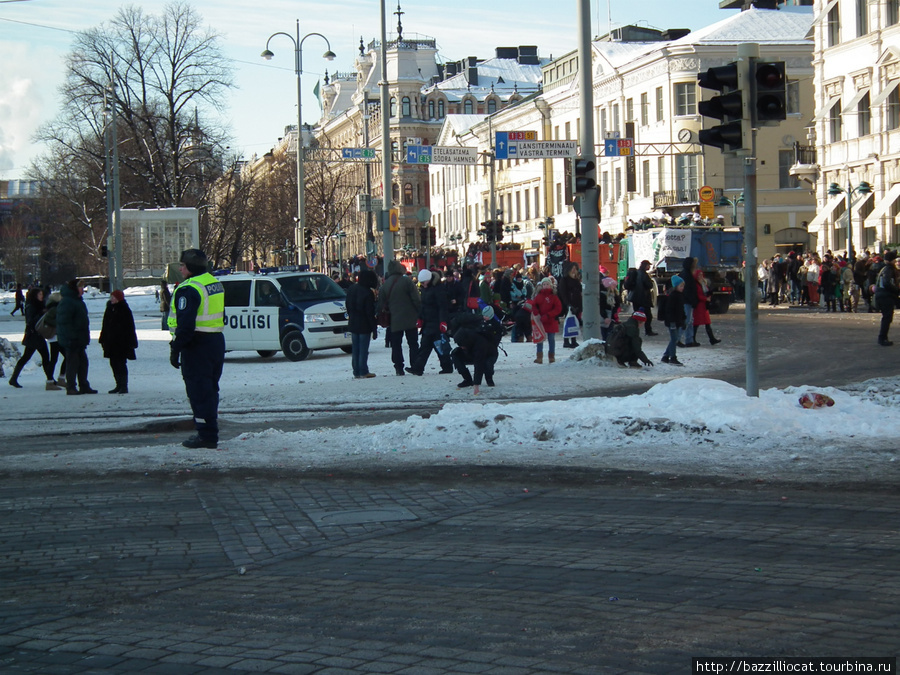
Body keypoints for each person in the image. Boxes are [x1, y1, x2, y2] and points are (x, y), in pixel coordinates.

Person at [169, 249, 226, 449]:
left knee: (198, 390)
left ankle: (206, 435)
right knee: (210, 389)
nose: (181, 269)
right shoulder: (213, 283)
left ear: (191, 268)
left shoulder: (189, 289)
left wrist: (176, 348)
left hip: (197, 345)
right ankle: (209, 430)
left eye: (183, 265)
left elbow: (185, 326)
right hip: (215, 341)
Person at [8, 287, 62, 390]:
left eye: (42, 294)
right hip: (33, 336)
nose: (42, 296)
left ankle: (50, 379)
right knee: (29, 357)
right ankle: (14, 378)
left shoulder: (39, 305)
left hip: (38, 336)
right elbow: (31, 321)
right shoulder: (31, 306)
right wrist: (42, 313)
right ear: (35, 295)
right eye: (40, 295)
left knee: (43, 357)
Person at [376, 259, 421, 376]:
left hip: (394, 318)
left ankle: (398, 367)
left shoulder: (385, 284)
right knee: (413, 343)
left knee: (396, 344)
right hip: (410, 317)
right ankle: (415, 364)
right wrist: (419, 311)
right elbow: (416, 299)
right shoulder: (407, 282)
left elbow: (381, 303)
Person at [406, 269, 453, 376]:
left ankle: (446, 367)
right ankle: (418, 368)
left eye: (424, 282)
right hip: (429, 323)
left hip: (436, 323)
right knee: (426, 346)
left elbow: (442, 307)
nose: (423, 284)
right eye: (421, 283)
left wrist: (443, 322)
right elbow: (423, 306)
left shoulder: (438, 290)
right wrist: (420, 318)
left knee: (437, 346)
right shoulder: (426, 289)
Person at [56, 279, 97, 395]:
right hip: (72, 339)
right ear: (74, 289)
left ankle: (83, 385)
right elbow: (64, 322)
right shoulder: (68, 302)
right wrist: (72, 337)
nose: (82, 290)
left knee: (83, 363)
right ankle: (71, 387)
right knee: (72, 363)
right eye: (80, 287)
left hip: (79, 339)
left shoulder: (77, 301)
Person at [450, 305, 503, 393]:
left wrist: (476, 384)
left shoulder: (493, 327)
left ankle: (489, 377)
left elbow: (479, 362)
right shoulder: (475, 324)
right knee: (455, 354)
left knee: (486, 364)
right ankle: (467, 379)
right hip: (472, 349)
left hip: (488, 352)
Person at [99, 289, 138, 393]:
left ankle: (123, 385)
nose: (112, 299)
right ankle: (118, 384)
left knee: (120, 363)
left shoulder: (124, 309)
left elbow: (130, 327)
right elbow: (105, 325)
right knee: (113, 363)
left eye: (114, 297)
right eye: (111, 297)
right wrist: (103, 338)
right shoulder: (109, 309)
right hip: (110, 342)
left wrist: (131, 342)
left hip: (121, 342)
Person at [345, 269, 379, 379]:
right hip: (364, 324)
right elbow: (369, 312)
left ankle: (356, 371)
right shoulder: (367, 292)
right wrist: (374, 328)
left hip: (353, 322)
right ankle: (363, 370)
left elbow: (348, 306)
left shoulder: (351, 289)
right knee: (363, 349)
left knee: (356, 349)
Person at [532, 277, 562, 364]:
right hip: (541, 321)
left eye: (547, 284)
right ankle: (539, 357)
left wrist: (549, 315)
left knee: (551, 339)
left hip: (551, 320)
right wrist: (535, 310)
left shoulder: (554, 297)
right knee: (540, 339)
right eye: (544, 284)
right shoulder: (539, 296)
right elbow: (534, 305)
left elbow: (558, 308)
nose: (545, 286)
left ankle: (551, 356)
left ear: (551, 286)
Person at [874, 250, 899, 346]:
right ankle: (882, 338)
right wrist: (896, 290)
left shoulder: (885, 268)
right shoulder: (888, 269)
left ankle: (883, 337)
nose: (896, 262)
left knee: (887, 317)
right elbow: (887, 283)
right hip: (885, 296)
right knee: (887, 317)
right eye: (895, 260)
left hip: (883, 295)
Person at [660, 276, 686, 366]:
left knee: (674, 339)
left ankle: (666, 356)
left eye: (683, 286)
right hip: (673, 322)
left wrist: (683, 319)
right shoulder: (673, 296)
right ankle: (672, 357)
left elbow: (681, 310)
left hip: (676, 321)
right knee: (674, 339)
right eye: (681, 286)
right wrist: (673, 321)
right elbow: (670, 310)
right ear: (676, 286)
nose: (682, 288)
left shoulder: (679, 296)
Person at [691, 269, 721, 345]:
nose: (700, 276)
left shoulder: (703, 283)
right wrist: (705, 298)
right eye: (699, 275)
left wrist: (709, 295)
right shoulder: (696, 285)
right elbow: (698, 295)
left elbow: (706, 292)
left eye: (701, 275)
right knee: (696, 324)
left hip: (704, 306)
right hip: (699, 306)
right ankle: (693, 339)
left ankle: (712, 339)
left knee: (707, 323)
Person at [558, 262, 582, 349]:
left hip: (576, 304)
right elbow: (563, 293)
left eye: (575, 269)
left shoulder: (576, 280)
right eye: (572, 268)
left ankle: (573, 340)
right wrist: (568, 304)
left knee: (574, 323)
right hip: (568, 304)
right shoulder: (564, 280)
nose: (574, 270)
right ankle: (566, 340)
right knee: (568, 322)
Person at [632, 260, 658, 336]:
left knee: (636, 314)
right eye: (648, 265)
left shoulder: (636, 273)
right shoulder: (644, 274)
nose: (649, 267)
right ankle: (648, 331)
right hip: (643, 298)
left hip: (635, 297)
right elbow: (649, 285)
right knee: (648, 316)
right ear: (645, 265)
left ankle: (634, 330)